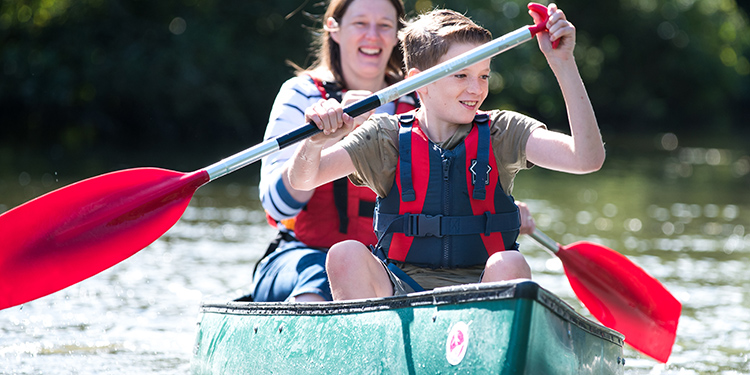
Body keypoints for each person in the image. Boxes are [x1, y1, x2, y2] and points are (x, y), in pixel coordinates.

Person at [286, 5, 605, 300]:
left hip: (482, 290)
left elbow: (586, 159)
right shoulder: (386, 137)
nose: (476, 89)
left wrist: (563, 64)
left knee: (510, 262)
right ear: (419, 83)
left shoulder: (503, 131)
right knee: (344, 254)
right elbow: (303, 179)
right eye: (461, 75)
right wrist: (316, 141)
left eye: (484, 75)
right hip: (400, 290)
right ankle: (372, 352)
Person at [250, 0, 415, 303]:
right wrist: (319, 140)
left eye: (385, 26)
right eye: (360, 23)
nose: (373, 36)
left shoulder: (420, 102)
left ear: (397, 36)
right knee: (319, 276)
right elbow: (277, 207)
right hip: (301, 256)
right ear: (334, 29)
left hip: (389, 264)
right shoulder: (302, 94)